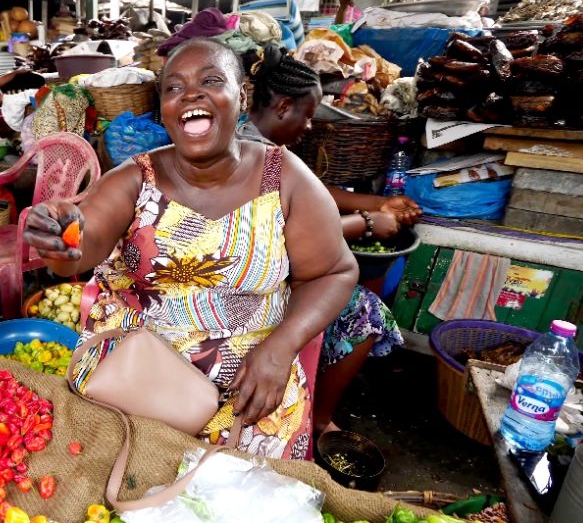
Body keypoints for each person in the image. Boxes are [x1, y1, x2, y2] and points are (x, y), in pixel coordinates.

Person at [23, 38, 358, 458]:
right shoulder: (134, 179)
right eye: (174, 88)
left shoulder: (285, 178)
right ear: (164, 110)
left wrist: (280, 348)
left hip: (252, 382)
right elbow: (80, 248)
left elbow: (334, 272)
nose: (191, 94)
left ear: (240, 98)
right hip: (136, 374)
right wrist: (60, 237)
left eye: (211, 81)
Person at [243, 45, 421, 434]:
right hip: (248, 282)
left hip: (262, 269)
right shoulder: (248, 152)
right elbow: (270, 233)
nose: (309, 127)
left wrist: (378, 201)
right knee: (365, 312)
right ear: (284, 106)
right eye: (307, 116)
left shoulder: (259, 139)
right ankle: (318, 420)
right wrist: (365, 223)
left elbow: (310, 190)